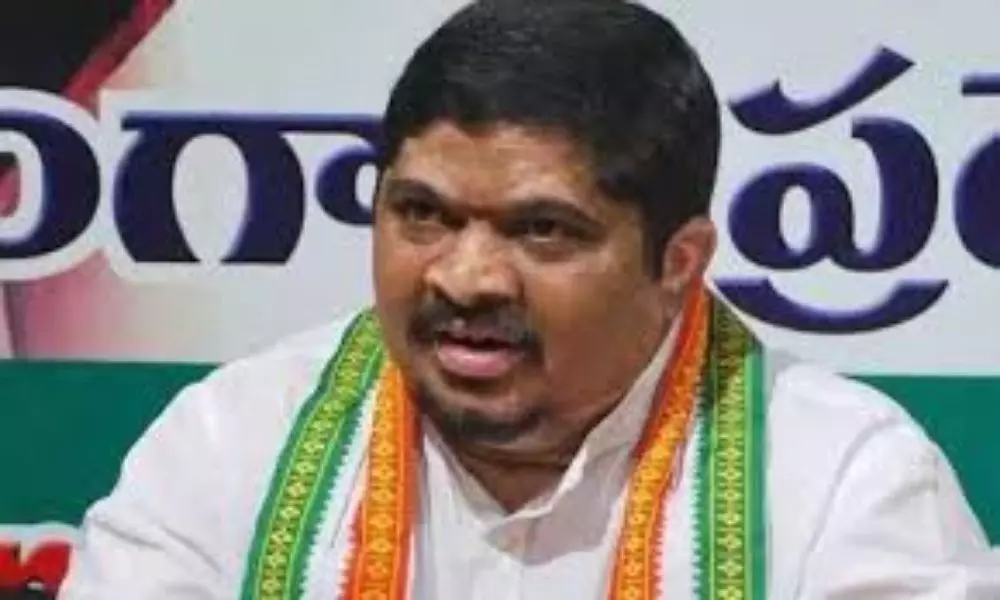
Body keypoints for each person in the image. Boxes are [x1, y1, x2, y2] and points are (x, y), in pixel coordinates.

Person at [59, 1, 999, 598]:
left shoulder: (844, 485)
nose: (465, 277)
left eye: (542, 230)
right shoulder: (232, 445)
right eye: (422, 213)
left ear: (679, 260)